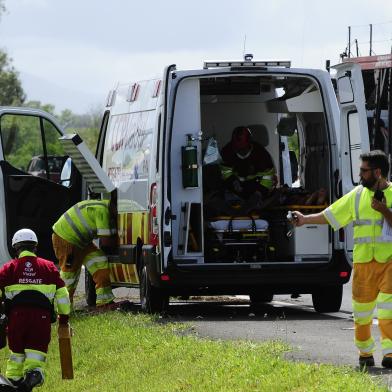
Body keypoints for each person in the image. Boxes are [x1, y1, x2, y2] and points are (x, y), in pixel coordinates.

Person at [291, 150, 392, 369]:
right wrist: (304, 219)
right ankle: (365, 354)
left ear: (378, 172)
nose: (360, 174)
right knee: (362, 314)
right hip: (364, 264)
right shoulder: (356, 195)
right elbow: (331, 214)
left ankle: (390, 353)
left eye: (364, 171)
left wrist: (385, 211)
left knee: (388, 312)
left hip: (389, 263)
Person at [0, 229, 70, 390]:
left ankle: (12, 383)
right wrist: (64, 318)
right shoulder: (49, 267)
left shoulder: (9, 268)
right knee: (36, 358)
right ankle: (33, 377)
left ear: (15, 248)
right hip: (42, 320)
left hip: (16, 319)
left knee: (16, 355)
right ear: (35, 248)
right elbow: (63, 295)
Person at [52, 192, 117, 307]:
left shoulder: (102, 206)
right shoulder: (103, 211)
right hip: (66, 239)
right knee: (69, 275)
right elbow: (106, 241)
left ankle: (104, 303)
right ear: (114, 206)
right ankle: (61, 308)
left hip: (81, 242)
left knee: (100, 263)